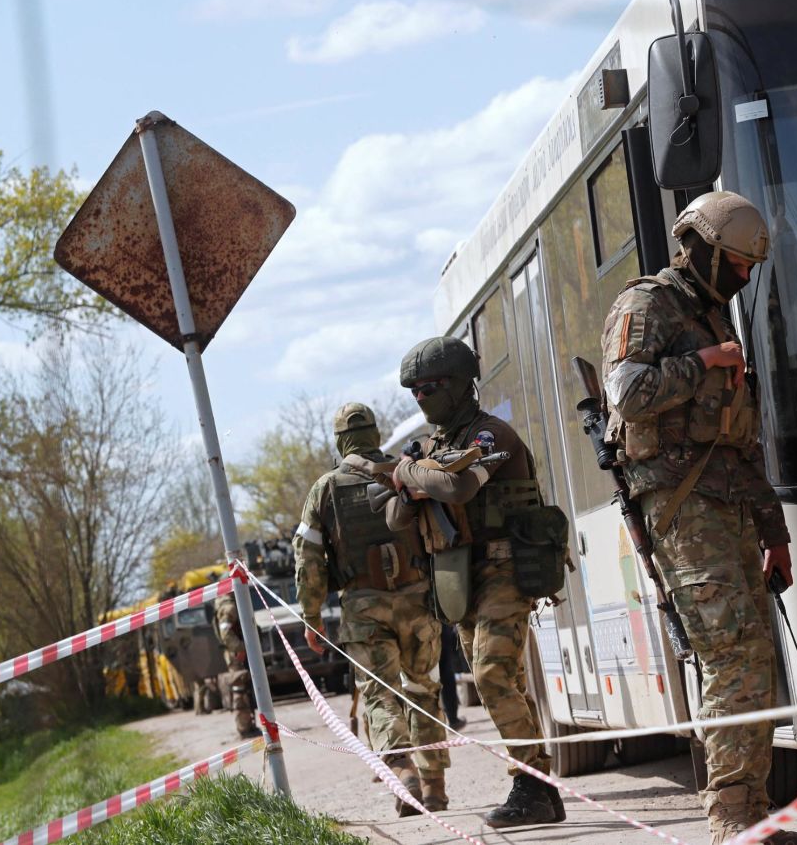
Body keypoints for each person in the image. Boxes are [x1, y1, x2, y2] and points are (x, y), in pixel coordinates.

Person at [600, 191, 797, 845]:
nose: (746, 278)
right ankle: (730, 825)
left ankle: (753, 820)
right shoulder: (647, 306)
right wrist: (704, 365)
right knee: (730, 661)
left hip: (730, 513)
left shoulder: (712, 315)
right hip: (681, 509)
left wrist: (775, 534)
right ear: (703, 248)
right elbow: (628, 396)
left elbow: (740, 440)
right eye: (739, 264)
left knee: (753, 664)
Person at [388, 337, 565, 829]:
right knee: (510, 682)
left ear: (461, 384)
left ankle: (529, 785)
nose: (421, 397)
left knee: (489, 676)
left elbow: (459, 486)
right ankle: (543, 793)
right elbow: (396, 515)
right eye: (415, 390)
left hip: (507, 571)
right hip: (460, 580)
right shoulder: (430, 448)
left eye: (431, 386)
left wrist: (410, 473)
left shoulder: (492, 436)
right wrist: (415, 473)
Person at [292, 402, 449, 818]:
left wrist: (310, 618)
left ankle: (403, 772)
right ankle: (434, 787)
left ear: (341, 441)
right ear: (376, 435)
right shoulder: (408, 471)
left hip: (364, 608)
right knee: (423, 689)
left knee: (379, 694)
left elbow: (308, 559)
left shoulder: (326, 488)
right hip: (418, 600)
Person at [211, 590, 259, 739]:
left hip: (238, 653)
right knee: (240, 689)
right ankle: (244, 727)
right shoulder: (230, 608)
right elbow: (225, 633)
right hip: (236, 655)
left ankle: (248, 724)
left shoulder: (229, 605)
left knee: (244, 689)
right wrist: (239, 648)